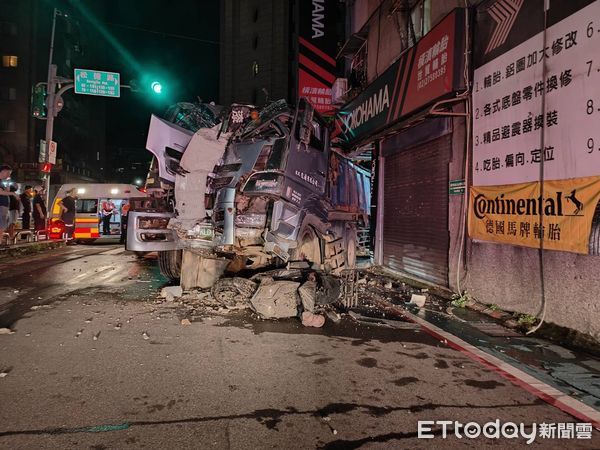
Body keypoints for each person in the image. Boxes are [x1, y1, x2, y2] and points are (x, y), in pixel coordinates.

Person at [0, 165, 16, 241]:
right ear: (3, 171)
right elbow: (0, 192)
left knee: (2, 226)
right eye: (8, 173)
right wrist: (13, 193)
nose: (9, 175)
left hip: (4, 207)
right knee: (1, 226)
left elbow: (4, 192)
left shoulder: (2, 182)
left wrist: (7, 190)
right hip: (1, 206)